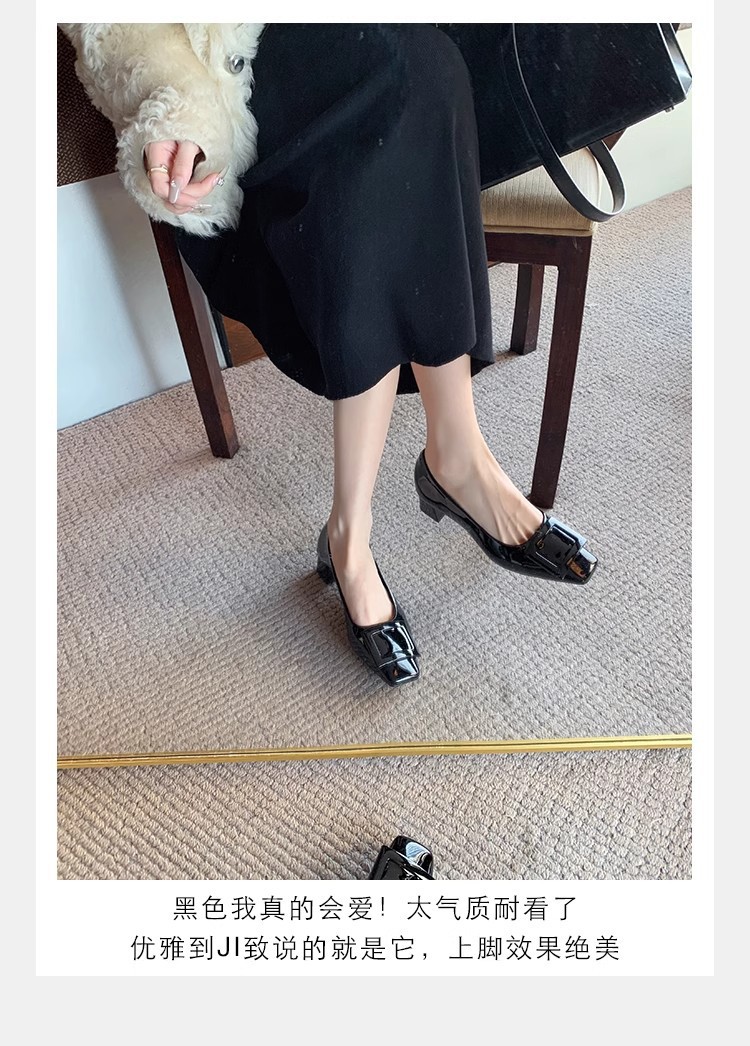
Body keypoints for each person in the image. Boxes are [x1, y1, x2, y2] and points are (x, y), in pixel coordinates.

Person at [61, 23, 598, 688]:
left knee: (425, 69)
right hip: (217, 70)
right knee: (391, 88)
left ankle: (447, 459)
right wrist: (180, 109)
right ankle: (373, 518)